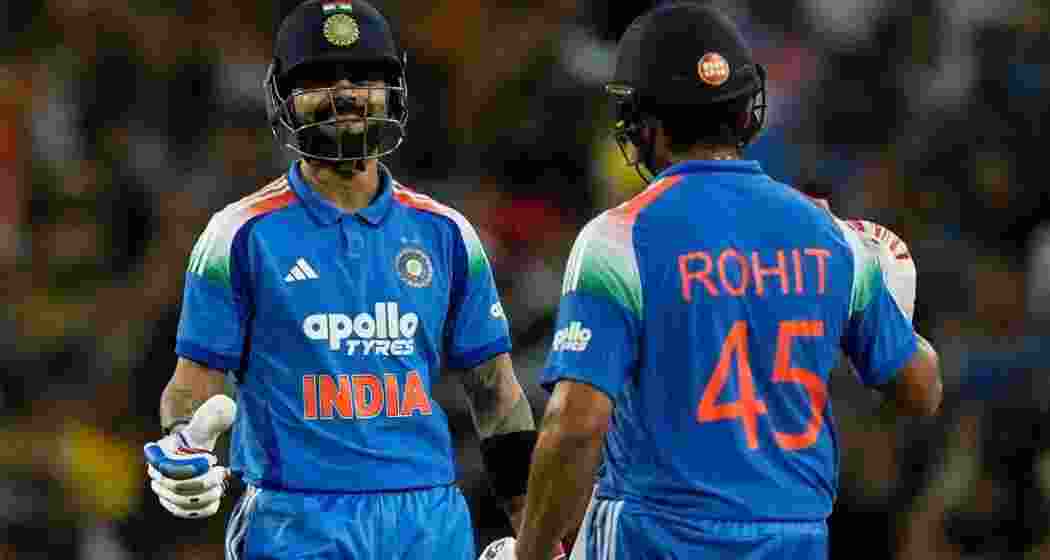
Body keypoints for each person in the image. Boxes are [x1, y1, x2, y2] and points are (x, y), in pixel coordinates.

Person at [510, 4, 943, 559]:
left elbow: (577, 425)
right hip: (793, 539)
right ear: (746, 112)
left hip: (657, 535)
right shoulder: (835, 239)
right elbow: (920, 392)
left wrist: (530, 552)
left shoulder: (618, 238)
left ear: (645, 123)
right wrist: (895, 299)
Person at [142, 1, 540, 559]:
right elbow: (192, 382)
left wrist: (536, 531)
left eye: (365, 77)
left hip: (428, 524)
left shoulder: (446, 233)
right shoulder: (238, 234)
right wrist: (184, 439)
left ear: (394, 89)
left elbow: (497, 394)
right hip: (293, 523)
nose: (347, 93)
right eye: (318, 78)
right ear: (282, 95)